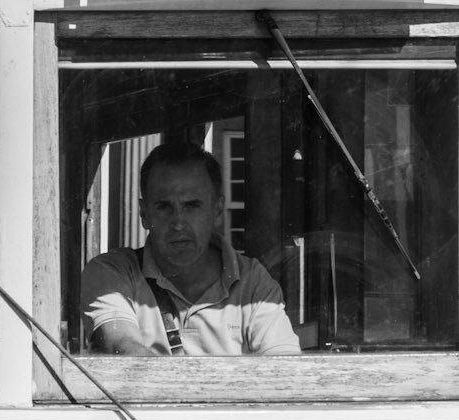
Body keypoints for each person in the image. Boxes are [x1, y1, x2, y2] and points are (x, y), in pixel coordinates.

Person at [80, 139, 301, 357]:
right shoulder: (113, 273)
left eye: (192, 206)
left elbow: (286, 373)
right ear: (144, 214)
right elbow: (121, 348)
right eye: (164, 207)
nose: (178, 223)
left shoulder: (252, 283)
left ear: (217, 211)